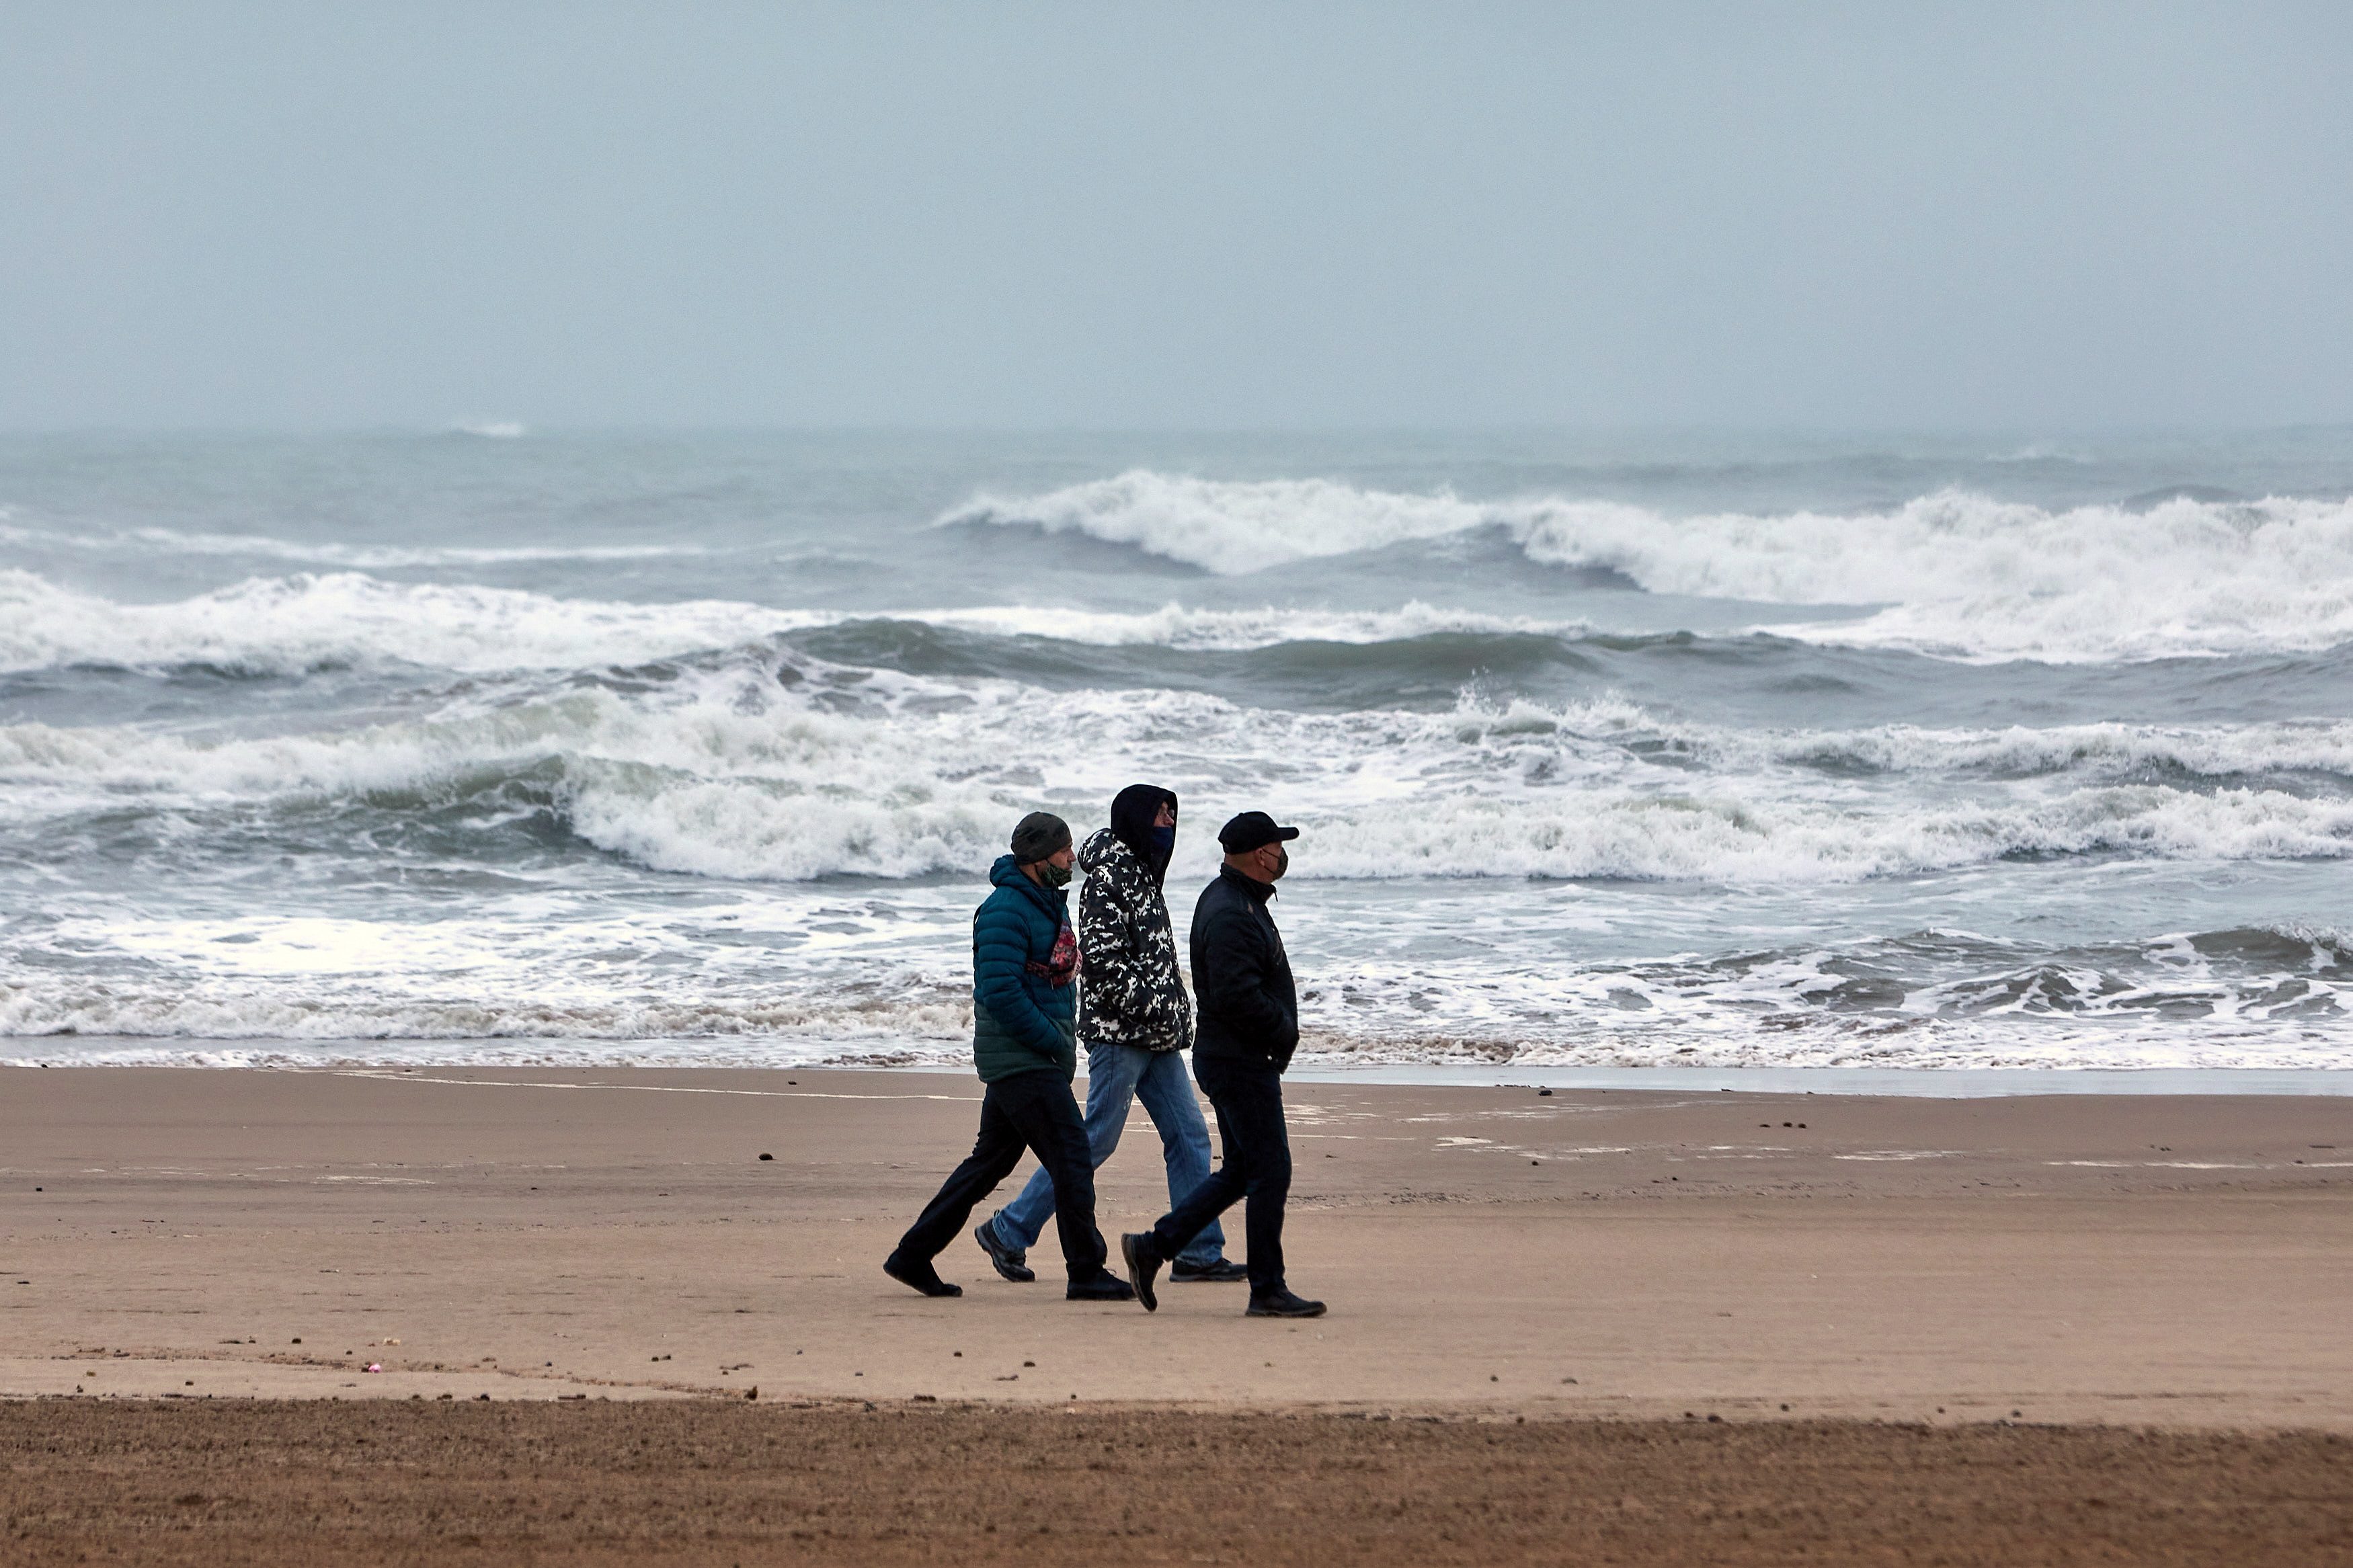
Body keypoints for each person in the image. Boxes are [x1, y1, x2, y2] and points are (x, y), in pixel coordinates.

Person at [973, 786, 1249, 1286]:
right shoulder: (1108, 878)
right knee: (1093, 1140)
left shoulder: (1144, 870)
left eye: (1172, 813)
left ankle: (1198, 1252)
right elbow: (1103, 964)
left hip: (1155, 1036)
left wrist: (1169, 1013)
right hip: (1119, 1035)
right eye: (1161, 814)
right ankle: (1008, 1230)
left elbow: (1153, 956)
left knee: (1190, 1136)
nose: (1169, 822)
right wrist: (1156, 1007)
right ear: (1137, 819)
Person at [884, 812, 1134, 1302]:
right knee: (1072, 1157)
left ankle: (912, 1255)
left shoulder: (1046, 902)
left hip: (1029, 1059)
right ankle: (1086, 1270)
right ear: (1038, 859)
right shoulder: (1005, 909)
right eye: (1063, 851)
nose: (1072, 859)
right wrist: (1052, 1040)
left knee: (989, 1163)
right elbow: (999, 992)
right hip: (1023, 1060)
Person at [1120, 811, 1325, 1319]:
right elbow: (1236, 996)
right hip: (1240, 1061)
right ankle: (1267, 1288)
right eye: (1278, 846)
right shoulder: (1233, 911)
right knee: (1271, 1169)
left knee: (1242, 1170)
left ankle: (1153, 1247)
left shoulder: (1235, 898)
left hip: (1233, 1057)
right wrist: (1284, 1029)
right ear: (1261, 855)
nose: (1283, 854)